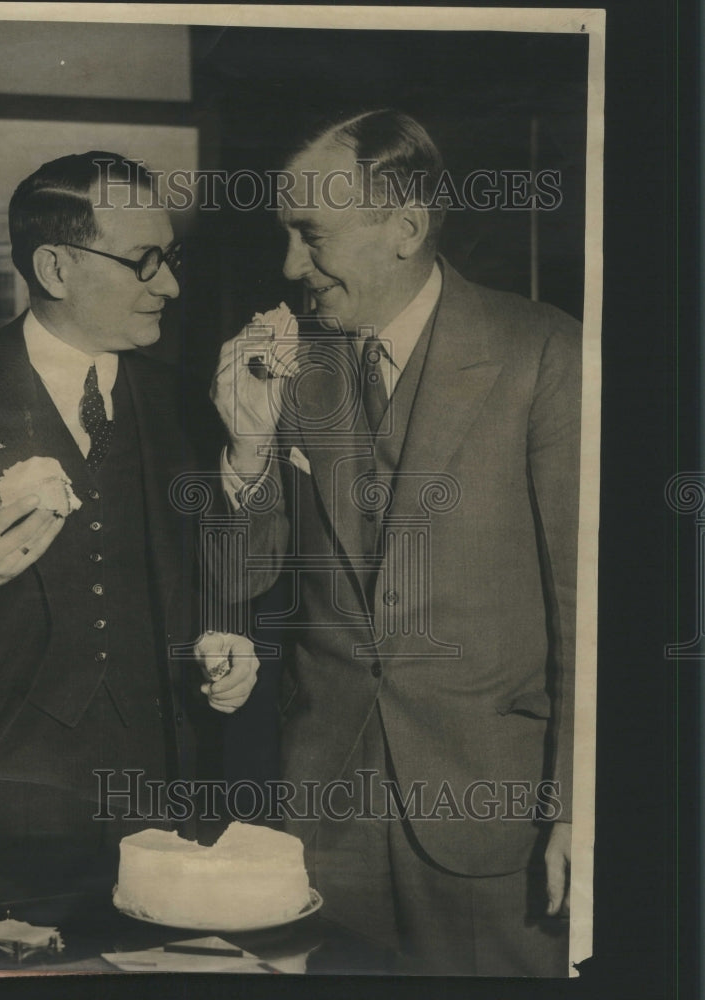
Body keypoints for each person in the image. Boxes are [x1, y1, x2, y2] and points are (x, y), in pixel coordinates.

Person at [206, 110, 580, 976]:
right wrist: (248, 449)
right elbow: (243, 579)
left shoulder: (544, 354)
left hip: (499, 817)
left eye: (311, 235)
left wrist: (577, 809)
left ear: (404, 228)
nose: (291, 266)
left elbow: (587, 607)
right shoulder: (291, 364)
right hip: (323, 812)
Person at [0, 151, 257, 919]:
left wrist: (227, 638)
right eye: (144, 261)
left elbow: (215, 569)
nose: (171, 286)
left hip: (160, 793)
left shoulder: (186, 402)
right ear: (55, 266)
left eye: (171, 257)